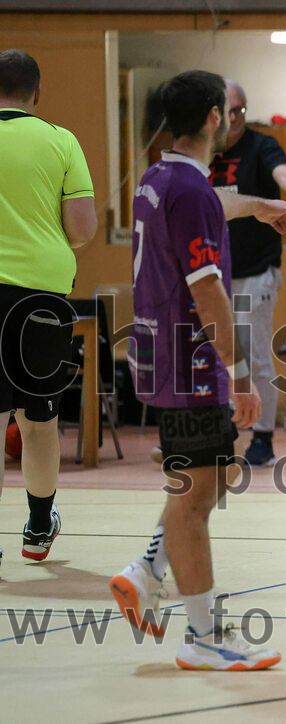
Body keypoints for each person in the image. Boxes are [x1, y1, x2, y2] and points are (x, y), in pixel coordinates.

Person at [109, 70, 279, 671]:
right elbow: (208, 292)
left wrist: (257, 205)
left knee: (199, 484)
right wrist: (237, 376)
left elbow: (206, 203)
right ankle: (204, 634)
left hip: (158, 353)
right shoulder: (193, 192)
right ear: (216, 116)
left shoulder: (158, 179)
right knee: (198, 496)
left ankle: (147, 569)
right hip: (193, 361)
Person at [0, 49, 97, 566]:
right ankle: (39, 528)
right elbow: (81, 230)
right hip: (39, 297)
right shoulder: (60, 140)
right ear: (37, 93)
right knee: (37, 420)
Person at [206, 80, 286, 467]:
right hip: (210, 274)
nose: (235, 118)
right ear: (215, 113)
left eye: (241, 110)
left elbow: (282, 173)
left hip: (254, 273)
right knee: (217, 357)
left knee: (255, 358)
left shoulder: (260, 145)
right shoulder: (203, 149)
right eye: (229, 111)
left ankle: (263, 438)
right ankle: (222, 431)